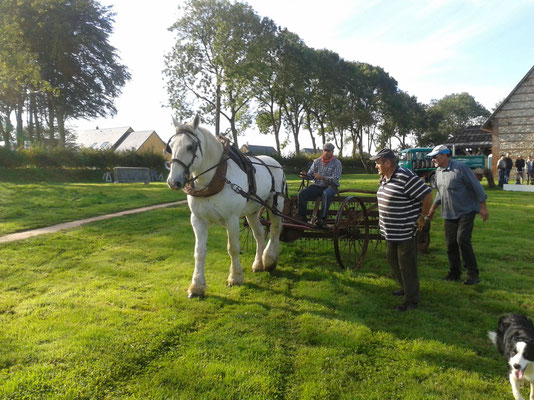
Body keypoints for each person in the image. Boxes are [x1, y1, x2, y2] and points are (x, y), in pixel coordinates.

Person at [372, 148, 433, 312]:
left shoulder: (405, 176)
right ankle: (405, 287)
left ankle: (412, 299)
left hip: (405, 230)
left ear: (387, 162)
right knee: (392, 260)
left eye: (378, 163)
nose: (376, 166)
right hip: (391, 230)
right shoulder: (385, 178)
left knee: (407, 265)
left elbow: (427, 194)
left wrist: (422, 217)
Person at [427, 145, 489, 285]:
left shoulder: (460, 168)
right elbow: (440, 192)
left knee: (462, 239)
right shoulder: (438, 171)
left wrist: (483, 206)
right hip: (449, 213)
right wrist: (432, 209)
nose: (433, 160)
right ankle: (454, 273)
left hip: (466, 211)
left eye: (435, 157)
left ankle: (472, 274)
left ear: (444, 155)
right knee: (450, 243)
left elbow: (476, 186)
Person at [297, 143, 342, 226]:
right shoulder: (317, 161)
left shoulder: (337, 163)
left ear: (332, 152)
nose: (326, 152)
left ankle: (322, 218)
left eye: (328, 151)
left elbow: (335, 179)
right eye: (325, 150)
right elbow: (310, 175)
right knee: (302, 194)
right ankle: (302, 218)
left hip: (331, 186)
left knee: (326, 194)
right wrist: (305, 175)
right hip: (317, 186)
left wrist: (322, 177)